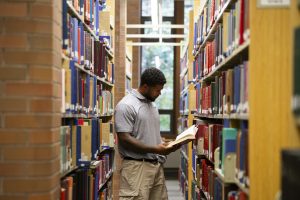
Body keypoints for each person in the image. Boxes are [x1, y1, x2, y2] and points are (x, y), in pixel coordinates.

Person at [114, 67, 180, 200]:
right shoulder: (126, 105)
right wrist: (156, 148)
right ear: (145, 86)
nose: (159, 93)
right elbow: (124, 138)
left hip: (156, 166)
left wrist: (162, 143)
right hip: (136, 168)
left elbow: (146, 132)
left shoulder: (152, 105)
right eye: (157, 90)